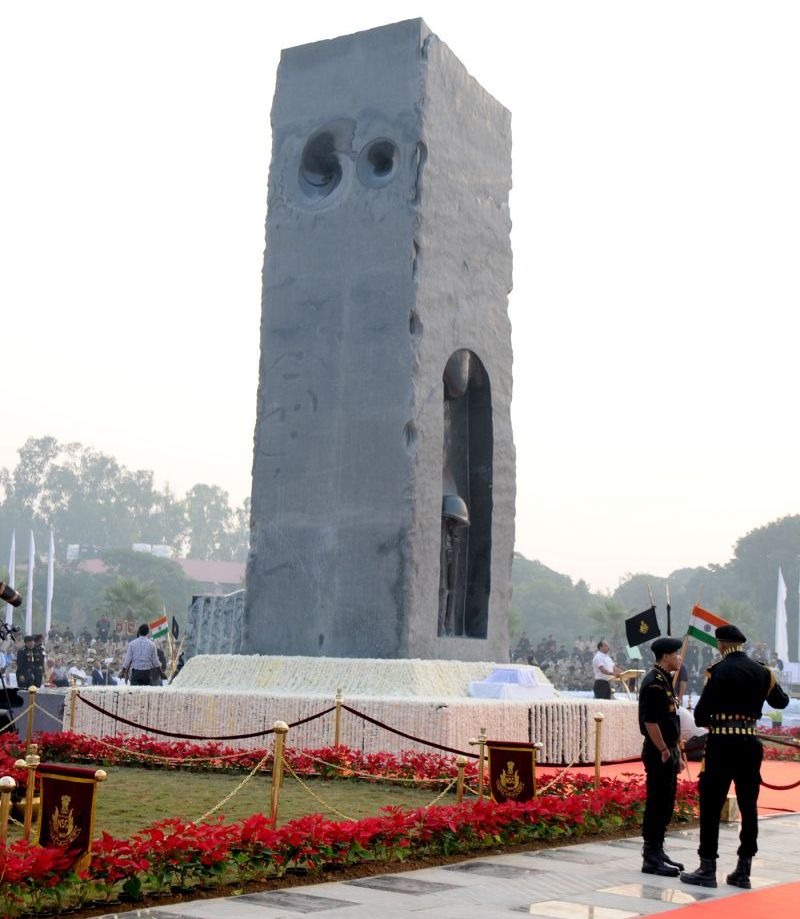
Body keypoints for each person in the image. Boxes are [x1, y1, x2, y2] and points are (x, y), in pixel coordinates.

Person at [681, 624, 790, 890]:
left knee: (710, 804)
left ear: (721, 644)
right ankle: (744, 870)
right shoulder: (763, 671)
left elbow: (700, 715)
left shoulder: (718, 671)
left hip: (721, 744)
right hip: (749, 744)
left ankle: (707, 867)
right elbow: (781, 702)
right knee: (748, 806)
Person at [638, 636, 687, 876]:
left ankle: (658, 849)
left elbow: (671, 719)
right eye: (676, 654)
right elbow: (650, 721)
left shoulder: (666, 680)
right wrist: (664, 750)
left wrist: (676, 750)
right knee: (657, 803)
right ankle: (650, 857)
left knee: (666, 803)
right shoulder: (654, 682)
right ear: (665, 656)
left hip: (668, 749)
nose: (680, 658)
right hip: (659, 752)